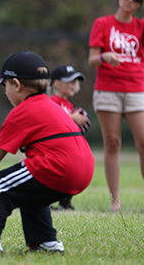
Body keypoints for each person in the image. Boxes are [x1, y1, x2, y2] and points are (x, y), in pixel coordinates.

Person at [0, 51, 94, 256]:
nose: (5, 92)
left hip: (62, 166)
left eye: (6, 86)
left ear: (17, 85)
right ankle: (46, 243)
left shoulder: (22, 111)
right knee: (30, 192)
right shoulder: (52, 106)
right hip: (84, 169)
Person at [88, 0, 144, 212]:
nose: (129, 0)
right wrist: (106, 57)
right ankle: (115, 202)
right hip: (108, 90)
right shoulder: (102, 23)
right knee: (112, 145)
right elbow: (92, 59)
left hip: (136, 90)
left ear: (141, 4)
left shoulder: (142, 25)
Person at [49, 64, 89, 211]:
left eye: (75, 81)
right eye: (69, 81)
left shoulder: (69, 105)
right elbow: (51, 119)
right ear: (57, 84)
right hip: (52, 149)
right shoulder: (51, 102)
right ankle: (45, 202)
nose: (74, 84)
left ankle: (65, 202)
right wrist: (71, 117)